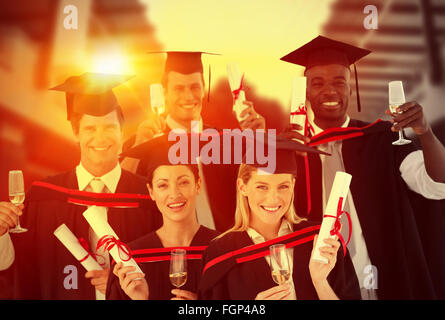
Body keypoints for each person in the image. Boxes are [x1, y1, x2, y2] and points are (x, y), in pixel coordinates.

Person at [280, 35, 445, 299]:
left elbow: (437, 186)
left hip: (382, 279)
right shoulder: (291, 150)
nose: (329, 91)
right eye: (318, 83)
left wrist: (425, 132)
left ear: (351, 88)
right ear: (306, 93)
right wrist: (276, 154)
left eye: (339, 82)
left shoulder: (383, 138)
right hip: (320, 284)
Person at [0, 73, 162, 299]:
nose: (101, 138)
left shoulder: (150, 197)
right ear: (76, 132)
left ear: (122, 131)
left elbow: (169, 268)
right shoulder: (43, 197)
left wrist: (119, 286)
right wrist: (1, 233)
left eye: (108, 128)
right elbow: (12, 266)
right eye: (90, 129)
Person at [198, 137, 361, 300]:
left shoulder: (320, 241)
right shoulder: (220, 252)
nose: (273, 199)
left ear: (293, 186)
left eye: (283, 186)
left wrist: (320, 283)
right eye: (262, 187)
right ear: (242, 187)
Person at [121, 51, 266, 232]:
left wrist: (260, 141)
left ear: (204, 88)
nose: (188, 96)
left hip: (225, 248)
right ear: (164, 93)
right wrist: (137, 149)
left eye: (195, 87)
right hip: (168, 252)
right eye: (179, 89)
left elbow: (260, 193)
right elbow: (120, 196)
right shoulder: (145, 141)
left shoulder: (226, 141)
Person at [106, 136, 219, 300]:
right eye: (162, 185)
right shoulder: (131, 260)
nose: (174, 194)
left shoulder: (224, 251)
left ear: (198, 185)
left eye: (183, 182)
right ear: (151, 192)